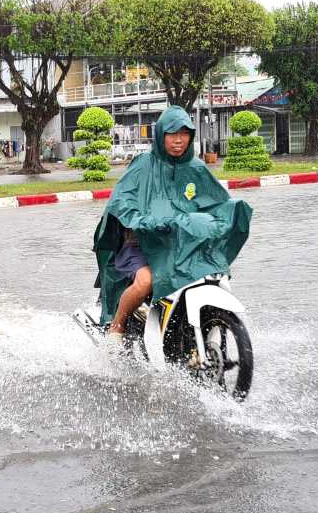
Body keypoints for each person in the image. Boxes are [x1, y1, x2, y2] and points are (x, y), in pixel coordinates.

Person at [94, 106, 251, 345]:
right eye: (172, 134)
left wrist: (230, 214)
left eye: (184, 134)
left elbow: (217, 202)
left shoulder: (196, 168)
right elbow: (122, 201)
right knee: (146, 281)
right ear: (161, 135)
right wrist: (142, 221)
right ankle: (117, 328)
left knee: (212, 274)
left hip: (179, 246)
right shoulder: (143, 165)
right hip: (140, 244)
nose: (179, 140)